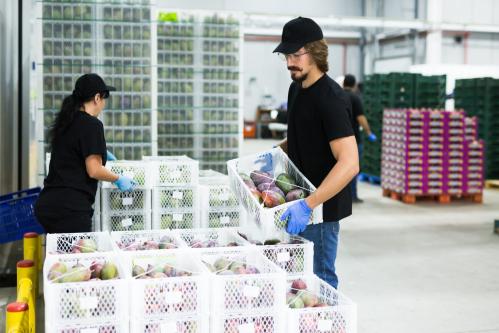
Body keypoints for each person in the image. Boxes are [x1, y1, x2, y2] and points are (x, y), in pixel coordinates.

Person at [273, 17, 359, 289]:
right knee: (298, 281)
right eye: (287, 55)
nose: (290, 62)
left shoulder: (331, 98)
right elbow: (303, 134)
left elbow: (349, 163)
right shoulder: (295, 88)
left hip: (320, 210)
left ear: (316, 52)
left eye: (296, 54)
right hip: (297, 199)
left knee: (320, 279)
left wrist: (308, 205)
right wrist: (273, 154)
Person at [35, 73, 135, 234]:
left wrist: (100, 150)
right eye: (104, 99)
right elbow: (94, 170)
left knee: (60, 257)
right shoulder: (92, 124)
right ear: (97, 98)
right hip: (70, 209)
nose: (103, 104)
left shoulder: (66, 121)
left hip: (48, 205)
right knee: (76, 258)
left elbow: (73, 151)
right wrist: (118, 179)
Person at [343, 74, 377, 203]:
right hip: (353, 140)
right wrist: (369, 133)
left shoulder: (337, 95)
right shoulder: (355, 98)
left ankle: (341, 196)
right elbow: (361, 118)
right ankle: (352, 196)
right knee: (352, 168)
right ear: (354, 85)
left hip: (337, 140)